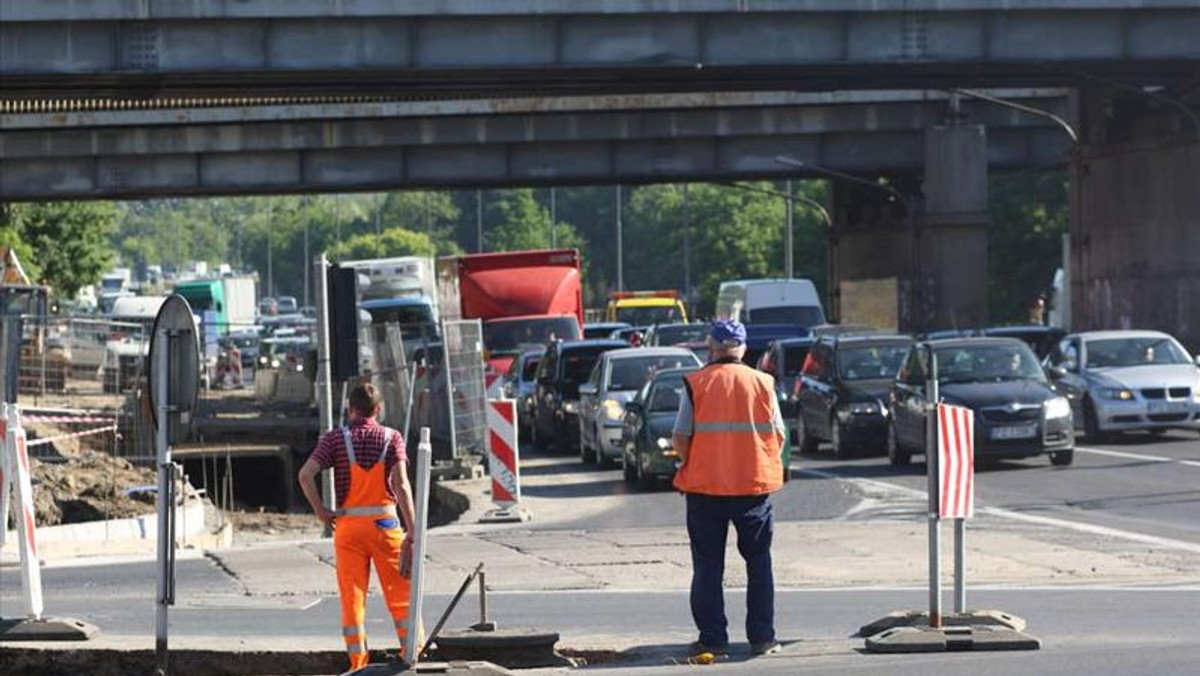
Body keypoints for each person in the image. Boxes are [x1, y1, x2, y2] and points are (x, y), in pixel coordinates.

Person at [672, 319, 787, 657]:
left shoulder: (696, 383)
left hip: (706, 489)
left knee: (708, 565)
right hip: (752, 489)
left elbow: (681, 436)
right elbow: (778, 435)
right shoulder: (763, 382)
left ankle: (713, 640)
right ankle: (763, 639)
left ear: (712, 346)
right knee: (759, 562)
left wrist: (689, 461)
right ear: (743, 347)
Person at [297, 382, 418, 671]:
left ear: (349, 409)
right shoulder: (392, 438)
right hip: (385, 524)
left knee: (352, 597)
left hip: (348, 527)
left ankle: (357, 664)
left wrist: (321, 511)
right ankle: (413, 656)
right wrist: (412, 534)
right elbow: (401, 485)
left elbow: (305, 475)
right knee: (401, 594)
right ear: (378, 409)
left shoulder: (334, 440)